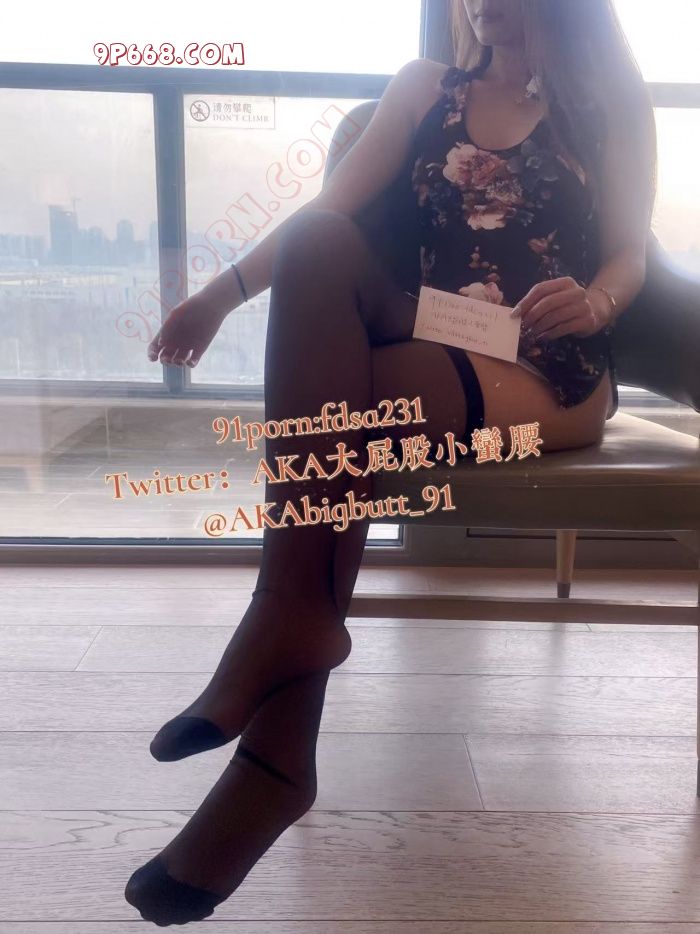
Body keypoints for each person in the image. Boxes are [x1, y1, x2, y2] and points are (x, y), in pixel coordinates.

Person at [125, 0, 657, 924]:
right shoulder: (423, 88)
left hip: (549, 366)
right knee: (321, 244)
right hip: (436, 331)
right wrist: (217, 297)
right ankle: (287, 667)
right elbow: (325, 212)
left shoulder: (605, 100)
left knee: (336, 416)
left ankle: (277, 737)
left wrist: (600, 302)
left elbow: (631, 253)